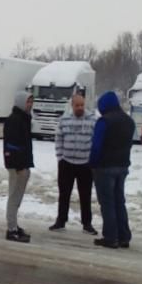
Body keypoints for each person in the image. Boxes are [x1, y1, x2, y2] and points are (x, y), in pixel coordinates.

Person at [88, 91, 135, 249]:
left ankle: (110, 237)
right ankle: (124, 236)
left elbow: (96, 146)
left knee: (107, 203)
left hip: (105, 167)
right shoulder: (129, 121)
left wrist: (92, 164)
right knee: (119, 201)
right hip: (122, 166)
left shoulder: (104, 121)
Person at [49, 94, 97, 235]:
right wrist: (60, 157)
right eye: (77, 105)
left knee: (85, 195)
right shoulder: (64, 120)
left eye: (82, 105)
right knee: (64, 193)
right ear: (72, 105)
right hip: (67, 163)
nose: (80, 108)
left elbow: (95, 140)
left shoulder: (92, 120)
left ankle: (87, 224)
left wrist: (92, 159)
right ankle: (61, 221)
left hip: (85, 164)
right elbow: (58, 138)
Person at [2, 91, 34, 243]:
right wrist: (20, 165)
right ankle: (11, 229)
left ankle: (14, 225)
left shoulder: (24, 119)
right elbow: (12, 145)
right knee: (14, 197)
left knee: (17, 197)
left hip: (23, 164)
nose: (30, 104)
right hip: (17, 166)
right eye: (28, 101)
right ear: (21, 102)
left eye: (31, 101)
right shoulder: (14, 120)